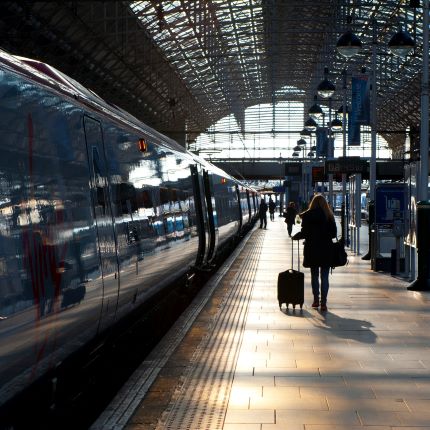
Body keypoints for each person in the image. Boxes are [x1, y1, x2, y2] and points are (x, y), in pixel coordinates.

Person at [293, 194, 336, 311]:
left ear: (312, 203)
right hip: (326, 250)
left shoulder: (307, 215)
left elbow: (305, 233)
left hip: (312, 249)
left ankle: (316, 300)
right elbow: (334, 234)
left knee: (314, 275)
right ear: (325, 204)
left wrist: (296, 236)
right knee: (325, 276)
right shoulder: (329, 216)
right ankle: (324, 303)